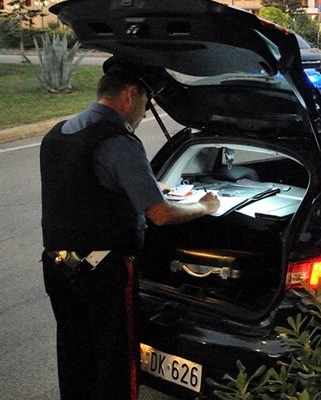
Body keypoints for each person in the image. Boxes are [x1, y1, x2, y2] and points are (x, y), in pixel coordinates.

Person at [39, 59, 220, 400]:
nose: (144, 113)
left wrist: (150, 185)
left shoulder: (59, 133)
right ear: (130, 95)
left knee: (75, 353)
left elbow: (84, 187)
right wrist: (205, 206)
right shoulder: (118, 142)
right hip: (102, 271)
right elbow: (161, 215)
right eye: (146, 104)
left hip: (58, 266)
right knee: (115, 361)